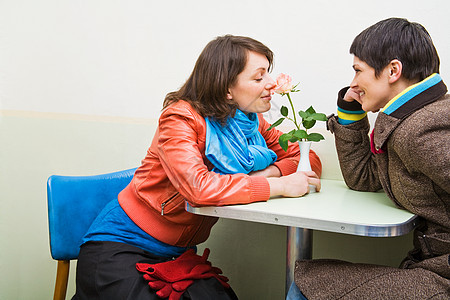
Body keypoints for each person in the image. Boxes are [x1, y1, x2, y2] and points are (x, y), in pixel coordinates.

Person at [73, 35, 322, 300]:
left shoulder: (250, 123)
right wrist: (279, 185)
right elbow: (198, 188)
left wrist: (267, 174)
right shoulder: (179, 118)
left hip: (176, 254)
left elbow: (308, 158)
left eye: (268, 75)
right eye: (258, 78)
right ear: (227, 88)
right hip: (120, 248)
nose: (271, 84)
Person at [288, 17, 449, 300]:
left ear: (393, 70)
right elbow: (364, 178)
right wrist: (350, 113)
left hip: (440, 276)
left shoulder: (422, 129)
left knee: (304, 286)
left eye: (358, 70)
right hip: (429, 267)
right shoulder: (411, 120)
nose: (353, 83)